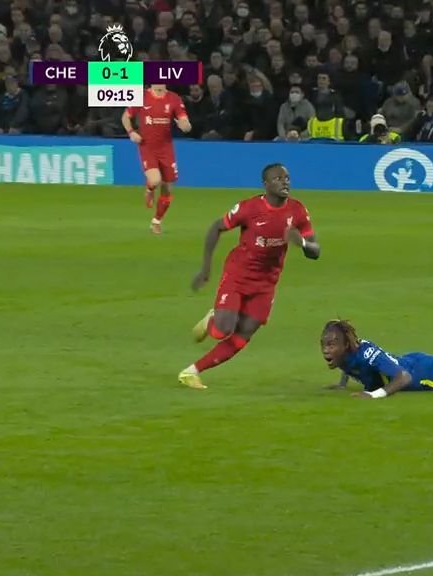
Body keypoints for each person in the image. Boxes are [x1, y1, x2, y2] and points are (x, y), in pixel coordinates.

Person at [179, 164, 320, 389]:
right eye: (278, 178)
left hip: (266, 283)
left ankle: (191, 372)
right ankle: (213, 318)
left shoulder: (297, 211)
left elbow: (315, 251)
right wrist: (206, 269)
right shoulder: (249, 208)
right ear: (266, 184)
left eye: (287, 178)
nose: (285, 182)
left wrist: (302, 242)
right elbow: (216, 227)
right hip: (238, 275)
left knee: (243, 334)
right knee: (222, 330)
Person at [121, 84, 192, 235]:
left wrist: (185, 126)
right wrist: (131, 132)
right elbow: (125, 117)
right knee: (155, 180)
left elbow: (185, 122)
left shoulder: (174, 98)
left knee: (167, 188)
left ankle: (156, 221)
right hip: (147, 146)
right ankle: (150, 188)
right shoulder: (141, 96)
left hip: (166, 149)